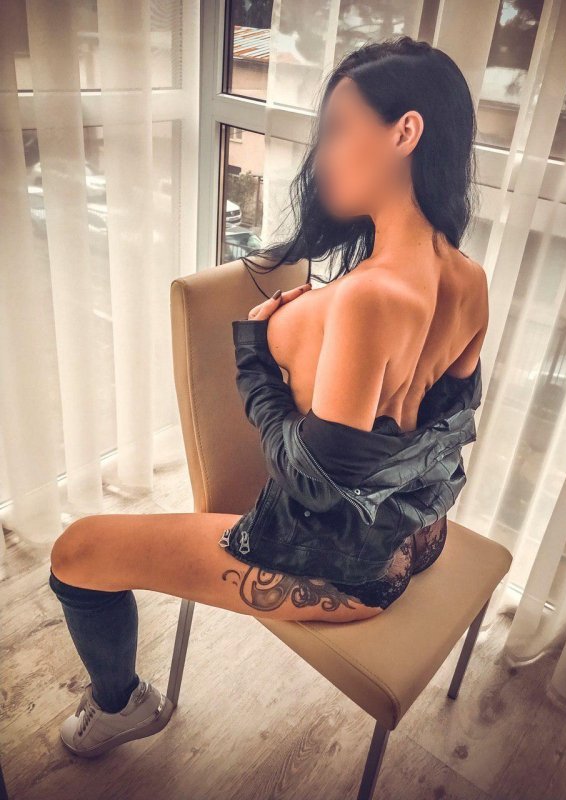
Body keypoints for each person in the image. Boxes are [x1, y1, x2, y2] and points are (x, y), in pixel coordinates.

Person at [48, 34, 488, 757]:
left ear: (405, 132)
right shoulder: (469, 278)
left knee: (76, 550)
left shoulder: (368, 299)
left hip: (341, 575)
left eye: (338, 129)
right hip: (421, 535)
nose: (324, 156)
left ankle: (121, 707)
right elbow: (447, 431)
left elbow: (313, 487)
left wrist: (255, 355)